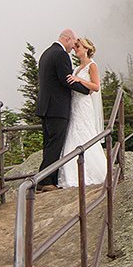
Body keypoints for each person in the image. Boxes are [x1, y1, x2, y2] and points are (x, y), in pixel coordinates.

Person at [36, 28, 88, 191]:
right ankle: (45, 181)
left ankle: (47, 179)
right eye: (74, 42)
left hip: (45, 107)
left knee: (49, 143)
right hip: (57, 108)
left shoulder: (46, 53)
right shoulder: (60, 54)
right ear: (67, 39)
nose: (74, 47)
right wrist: (86, 90)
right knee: (55, 144)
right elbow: (66, 79)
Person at [58, 37, 108, 188]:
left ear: (86, 48)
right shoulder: (77, 68)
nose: (75, 49)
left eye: (78, 47)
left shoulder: (92, 66)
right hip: (75, 104)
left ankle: (92, 171)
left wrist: (79, 81)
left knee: (84, 132)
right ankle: (71, 173)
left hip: (84, 104)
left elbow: (96, 86)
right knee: (73, 133)